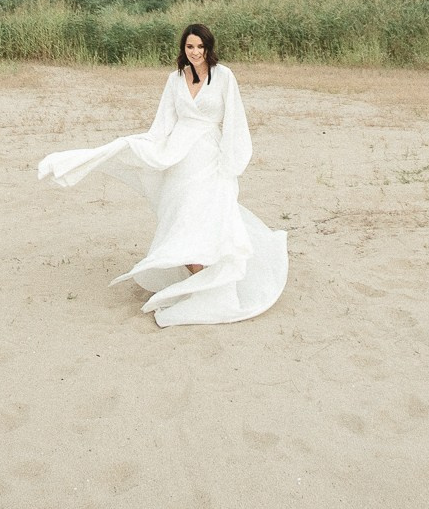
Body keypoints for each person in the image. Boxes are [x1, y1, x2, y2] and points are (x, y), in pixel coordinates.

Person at [37, 23, 288, 327]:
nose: (195, 52)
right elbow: (163, 124)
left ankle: (214, 289)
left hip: (210, 159)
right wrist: (143, 147)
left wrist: (230, 163)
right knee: (181, 224)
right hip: (179, 160)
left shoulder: (224, 77)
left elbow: (235, 121)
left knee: (208, 221)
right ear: (184, 49)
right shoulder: (174, 80)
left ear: (208, 47)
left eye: (200, 46)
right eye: (189, 47)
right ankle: (202, 284)